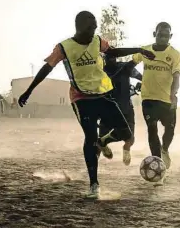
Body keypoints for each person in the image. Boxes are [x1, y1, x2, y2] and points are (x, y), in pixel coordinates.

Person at [17, 11, 155, 199]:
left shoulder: (97, 41)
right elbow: (47, 68)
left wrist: (138, 49)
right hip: (81, 99)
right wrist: (29, 90)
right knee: (89, 138)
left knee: (126, 134)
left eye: (95, 26)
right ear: (79, 27)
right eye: (90, 26)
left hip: (102, 94)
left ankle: (103, 141)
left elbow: (113, 52)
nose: (94, 29)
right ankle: (94, 185)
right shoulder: (64, 48)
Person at [132, 22, 180, 171]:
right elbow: (131, 64)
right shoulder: (145, 51)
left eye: (166, 35)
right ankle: (158, 164)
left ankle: (165, 149)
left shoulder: (174, 54)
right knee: (152, 129)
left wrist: (173, 94)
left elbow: (177, 76)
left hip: (167, 99)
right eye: (160, 34)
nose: (163, 38)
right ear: (155, 34)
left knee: (170, 130)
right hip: (148, 99)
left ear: (170, 37)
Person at [100, 54, 143, 166]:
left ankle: (122, 146)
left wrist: (143, 84)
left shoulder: (124, 68)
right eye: (110, 56)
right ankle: (106, 144)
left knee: (129, 138)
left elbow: (141, 77)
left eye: (113, 55)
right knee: (128, 137)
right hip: (112, 109)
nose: (112, 59)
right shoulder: (101, 72)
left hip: (119, 108)